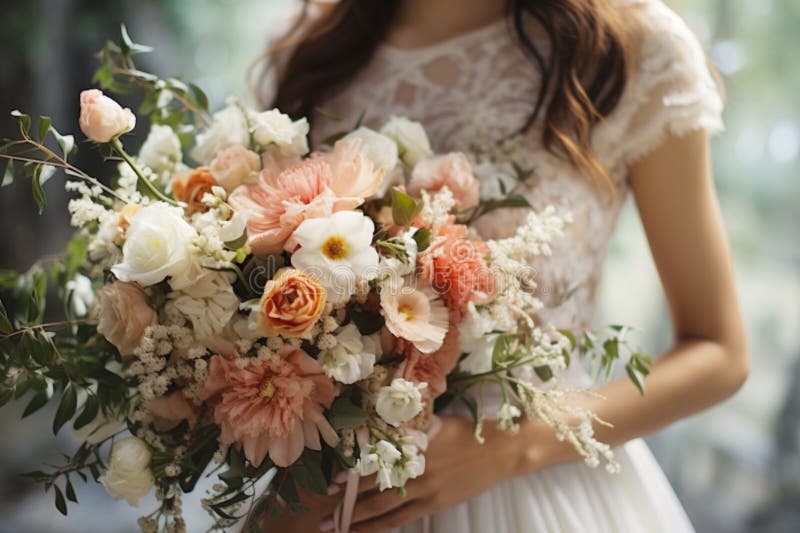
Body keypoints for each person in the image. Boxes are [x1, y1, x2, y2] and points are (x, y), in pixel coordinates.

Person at [253, 0, 749, 531]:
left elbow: (719, 352)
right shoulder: (308, 44)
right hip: (319, 497)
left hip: (527, 494)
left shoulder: (630, 50)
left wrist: (512, 446)